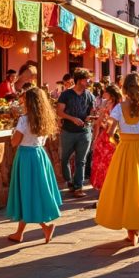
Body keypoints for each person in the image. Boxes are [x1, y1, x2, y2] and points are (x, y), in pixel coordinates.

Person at [95, 73, 139, 247]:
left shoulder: (119, 109)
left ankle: (131, 232)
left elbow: (111, 133)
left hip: (125, 150)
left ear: (125, 89)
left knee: (125, 189)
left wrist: (118, 142)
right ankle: (136, 229)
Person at [6, 87, 62, 244]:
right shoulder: (45, 119)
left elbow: (14, 142)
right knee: (33, 192)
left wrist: (13, 135)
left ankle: (43, 227)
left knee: (26, 193)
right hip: (39, 155)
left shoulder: (24, 119)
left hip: (25, 157)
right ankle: (21, 232)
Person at [56, 69, 96, 198]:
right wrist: (73, 118)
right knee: (65, 159)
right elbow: (59, 112)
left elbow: (92, 112)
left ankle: (78, 187)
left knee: (81, 161)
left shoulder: (89, 95)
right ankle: (70, 182)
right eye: (86, 79)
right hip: (68, 131)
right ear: (79, 80)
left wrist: (91, 116)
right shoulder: (66, 94)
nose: (88, 82)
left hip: (84, 132)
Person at [90, 85, 122, 193]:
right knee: (102, 161)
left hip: (117, 135)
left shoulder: (121, 104)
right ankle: (104, 186)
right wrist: (95, 138)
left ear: (110, 93)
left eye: (105, 92)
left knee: (113, 161)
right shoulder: (105, 103)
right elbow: (99, 121)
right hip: (105, 135)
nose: (103, 94)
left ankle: (115, 185)